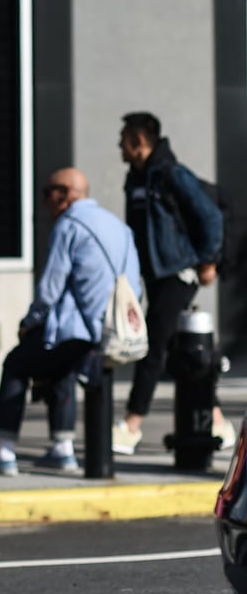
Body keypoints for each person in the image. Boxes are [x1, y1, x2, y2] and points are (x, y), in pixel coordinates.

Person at [0, 168, 141, 476]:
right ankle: (63, 450)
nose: (45, 201)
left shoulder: (70, 224)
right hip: (107, 333)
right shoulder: (119, 226)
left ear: (65, 194)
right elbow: (135, 285)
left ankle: (4, 452)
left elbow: (50, 288)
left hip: (77, 329)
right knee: (61, 364)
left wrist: (30, 321)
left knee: (16, 363)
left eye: (48, 193)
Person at [112, 112, 235, 454]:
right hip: (154, 275)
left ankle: (132, 425)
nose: (118, 145)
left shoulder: (170, 174)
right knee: (182, 354)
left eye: (123, 138)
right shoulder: (136, 178)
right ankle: (219, 422)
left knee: (152, 348)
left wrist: (208, 261)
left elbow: (210, 216)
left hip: (177, 273)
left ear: (139, 141)